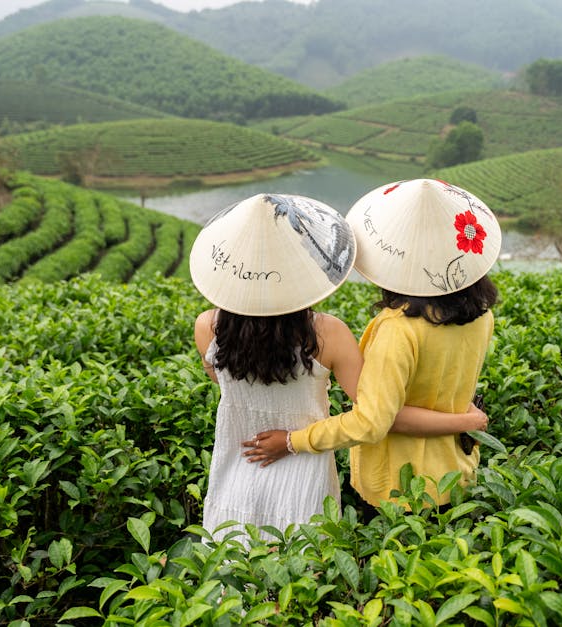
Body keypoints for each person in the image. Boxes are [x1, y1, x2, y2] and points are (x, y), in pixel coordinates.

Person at [189, 192, 483, 542]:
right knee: (303, 576)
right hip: (303, 473)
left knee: (232, 573)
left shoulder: (207, 326)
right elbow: (379, 416)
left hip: (236, 468)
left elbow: (228, 389)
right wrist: (467, 421)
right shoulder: (327, 334)